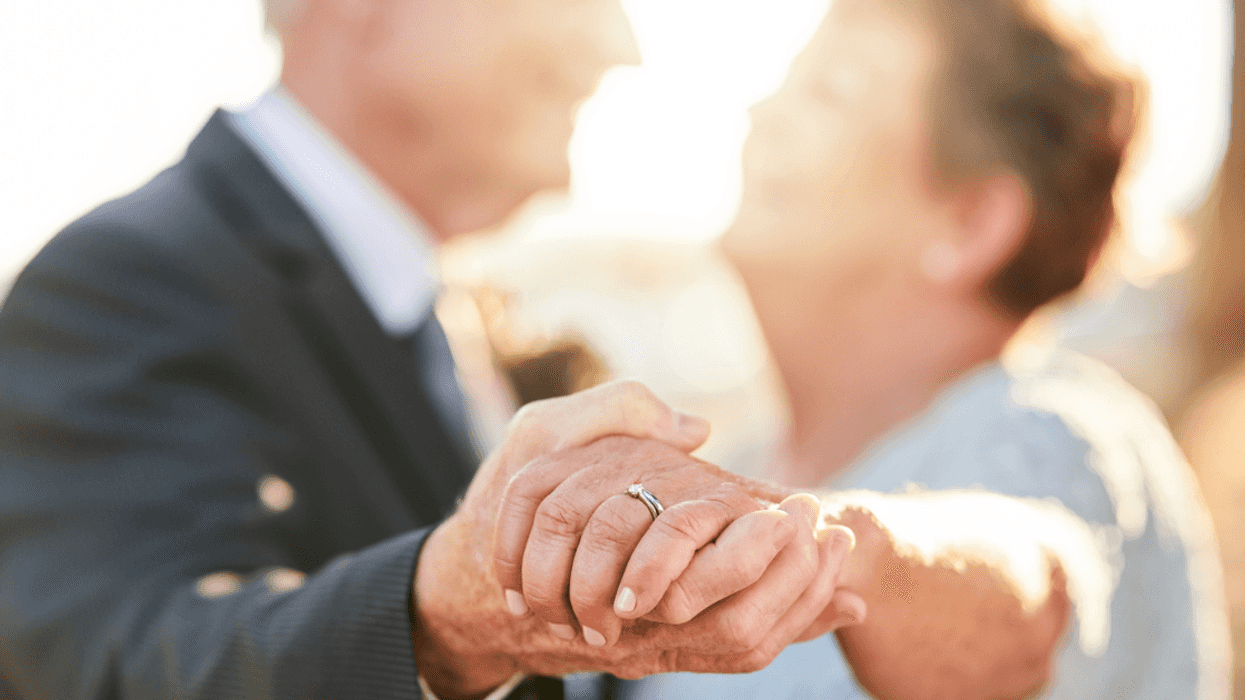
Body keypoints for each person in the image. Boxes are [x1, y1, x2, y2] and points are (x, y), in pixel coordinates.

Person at [0, 0, 1113, 698]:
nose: (619, 46)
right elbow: (112, 664)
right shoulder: (128, 278)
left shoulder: (469, 326)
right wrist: (436, 615)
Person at [605, 0, 1230, 697]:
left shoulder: (1060, 435)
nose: (763, 113)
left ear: (971, 221)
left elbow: (1031, 589)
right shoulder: (740, 460)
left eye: (831, 90)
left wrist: (850, 556)